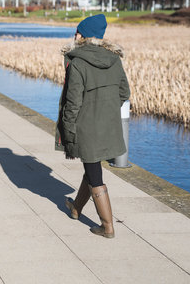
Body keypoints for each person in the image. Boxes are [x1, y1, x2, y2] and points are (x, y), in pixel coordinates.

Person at [55, 14, 130, 238]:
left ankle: (107, 227)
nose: (74, 35)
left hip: (86, 128)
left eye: (77, 31)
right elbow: (124, 93)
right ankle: (76, 208)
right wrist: (105, 112)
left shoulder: (77, 63)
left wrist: (68, 133)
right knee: (92, 167)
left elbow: (72, 104)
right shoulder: (114, 59)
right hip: (108, 126)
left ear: (84, 36)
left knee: (95, 175)